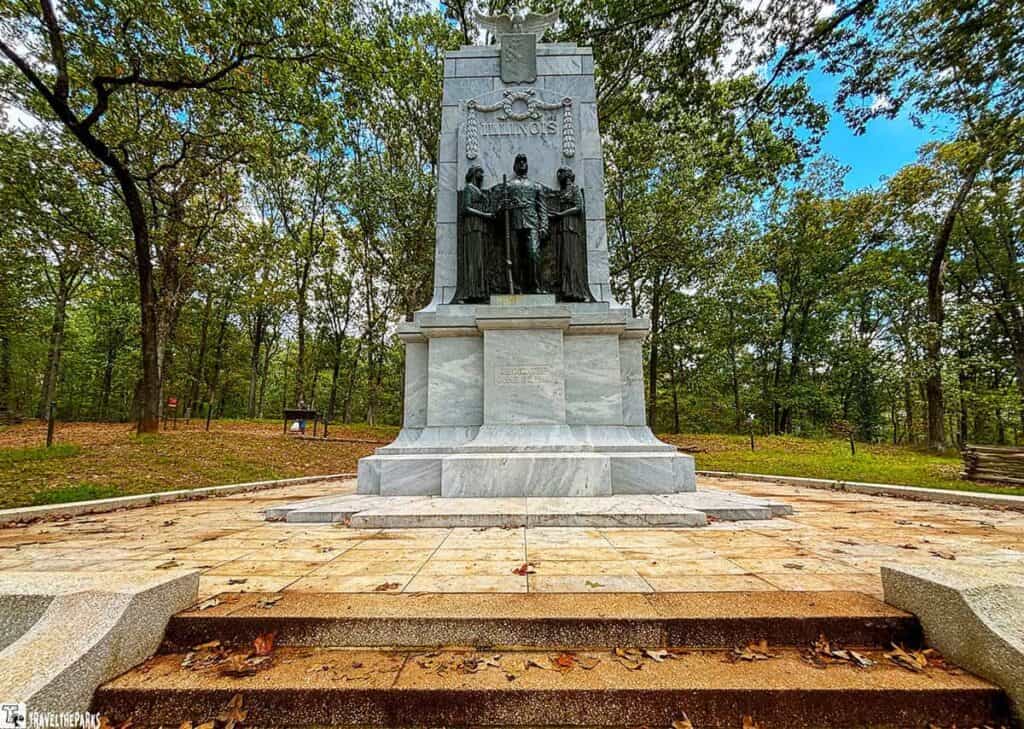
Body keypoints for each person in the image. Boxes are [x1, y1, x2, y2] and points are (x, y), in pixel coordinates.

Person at [502, 153, 548, 293]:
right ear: (514, 166)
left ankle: (535, 286)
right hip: (514, 223)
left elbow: (542, 208)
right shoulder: (508, 186)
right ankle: (516, 286)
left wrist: (544, 225)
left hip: (532, 223)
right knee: (514, 257)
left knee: (534, 254)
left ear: (527, 165)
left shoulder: (536, 186)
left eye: (524, 161)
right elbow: (499, 208)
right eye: (519, 161)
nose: (522, 164)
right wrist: (505, 205)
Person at [550, 167, 596, 302]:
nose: (559, 176)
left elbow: (579, 207)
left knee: (571, 259)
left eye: (561, 173)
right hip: (561, 228)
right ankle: (565, 289)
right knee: (563, 259)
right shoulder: (562, 191)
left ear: (568, 175)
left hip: (571, 226)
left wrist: (561, 214)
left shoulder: (575, 189)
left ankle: (576, 291)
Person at [454, 165, 493, 303]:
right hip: (472, 227)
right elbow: (465, 208)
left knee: (480, 260)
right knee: (473, 259)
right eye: (480, 172)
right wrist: (484, 215)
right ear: (473, 174)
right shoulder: (468, 188)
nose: (482, 175)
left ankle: (480, 292)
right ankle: (470, 293)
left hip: (481, 227)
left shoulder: (479, 190)